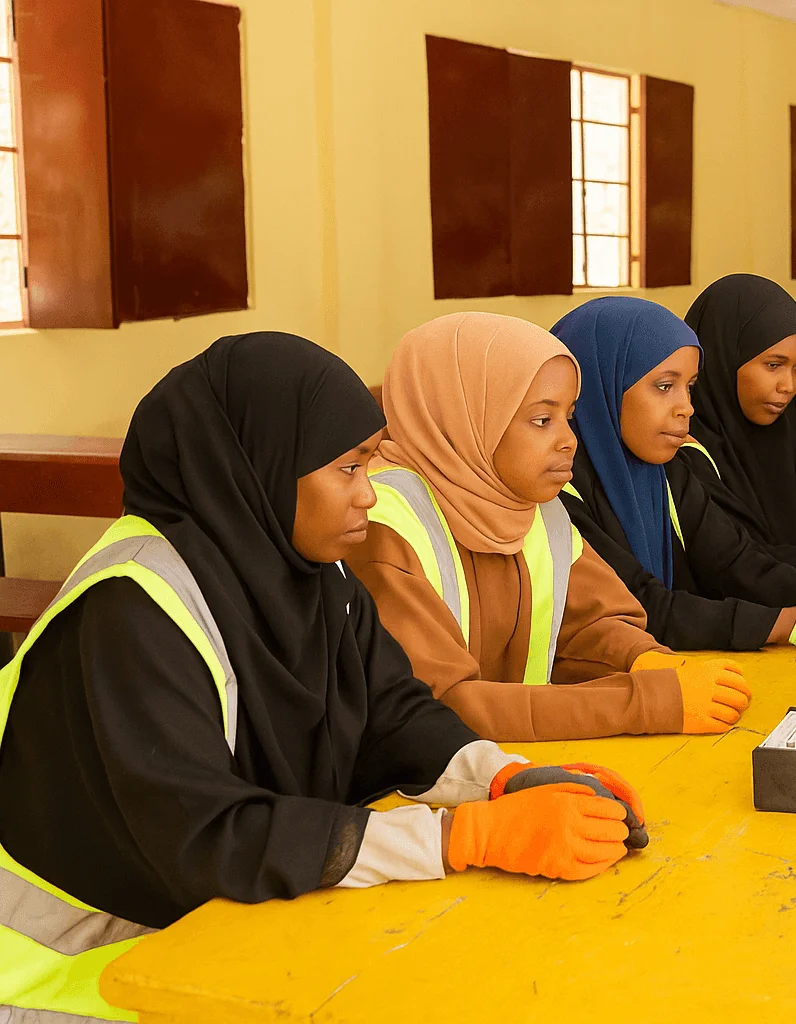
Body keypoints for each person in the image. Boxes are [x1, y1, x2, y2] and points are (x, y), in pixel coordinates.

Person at [0, 333, 643, 1023]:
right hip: (74, 974)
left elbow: (393, 713)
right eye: (348, 469)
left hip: (216, 932)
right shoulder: (132, 609)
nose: (369, 495)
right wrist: (461, 838)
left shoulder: (311, 574)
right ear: (265, 466)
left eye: (370, 463)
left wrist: (502, 776)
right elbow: (211, 835)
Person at [347, 312, 751, 744]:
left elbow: (592, 625)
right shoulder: (381, 524)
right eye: (542, 420)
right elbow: (444, 706)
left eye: (569, 417)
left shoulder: (536, 507)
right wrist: (644, 701)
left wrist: (647, 659)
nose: (569, 440)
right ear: (466, 417)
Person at [551, 296, 796, 652]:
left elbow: (736, 563)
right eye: (665, 386)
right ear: (603, 384)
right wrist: (778, 624)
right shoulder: (556, 492)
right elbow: (639, 604)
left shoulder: (668, 472)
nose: (686, 408)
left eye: (690, 387)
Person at [680, 274, 796, 556]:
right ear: (724, 357)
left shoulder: (788, 428)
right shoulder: (683, 452)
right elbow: (736, 565)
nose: (789, 387)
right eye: (773, 365)